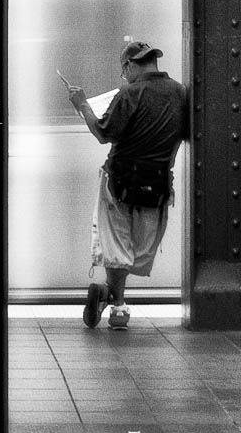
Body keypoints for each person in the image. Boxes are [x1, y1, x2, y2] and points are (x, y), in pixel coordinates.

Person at [66, 41, 188, 330]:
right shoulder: (181, 93)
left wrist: (83, 104)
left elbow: (104, 134)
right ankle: (115, 300)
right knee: (142, 249)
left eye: (125, 71)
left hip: (119, 179)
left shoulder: (130, 92)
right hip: (158, 183)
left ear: (130, 66)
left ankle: (114, 300)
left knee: (116, 243)